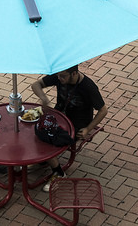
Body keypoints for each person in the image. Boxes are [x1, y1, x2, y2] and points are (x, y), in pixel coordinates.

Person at [31, 64, 107, 192]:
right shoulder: (60, 74)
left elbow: (103, 110)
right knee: (36, 128)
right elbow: (36, 85)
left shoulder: (88, 86)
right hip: (59, 116)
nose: (59, 78)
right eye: (58, 75)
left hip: (76, 124)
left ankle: (59, 172)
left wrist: (88, 129)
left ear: (74, 74)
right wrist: (43, 98)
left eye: (63, 76)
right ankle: (44, 160)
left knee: (47, 139)